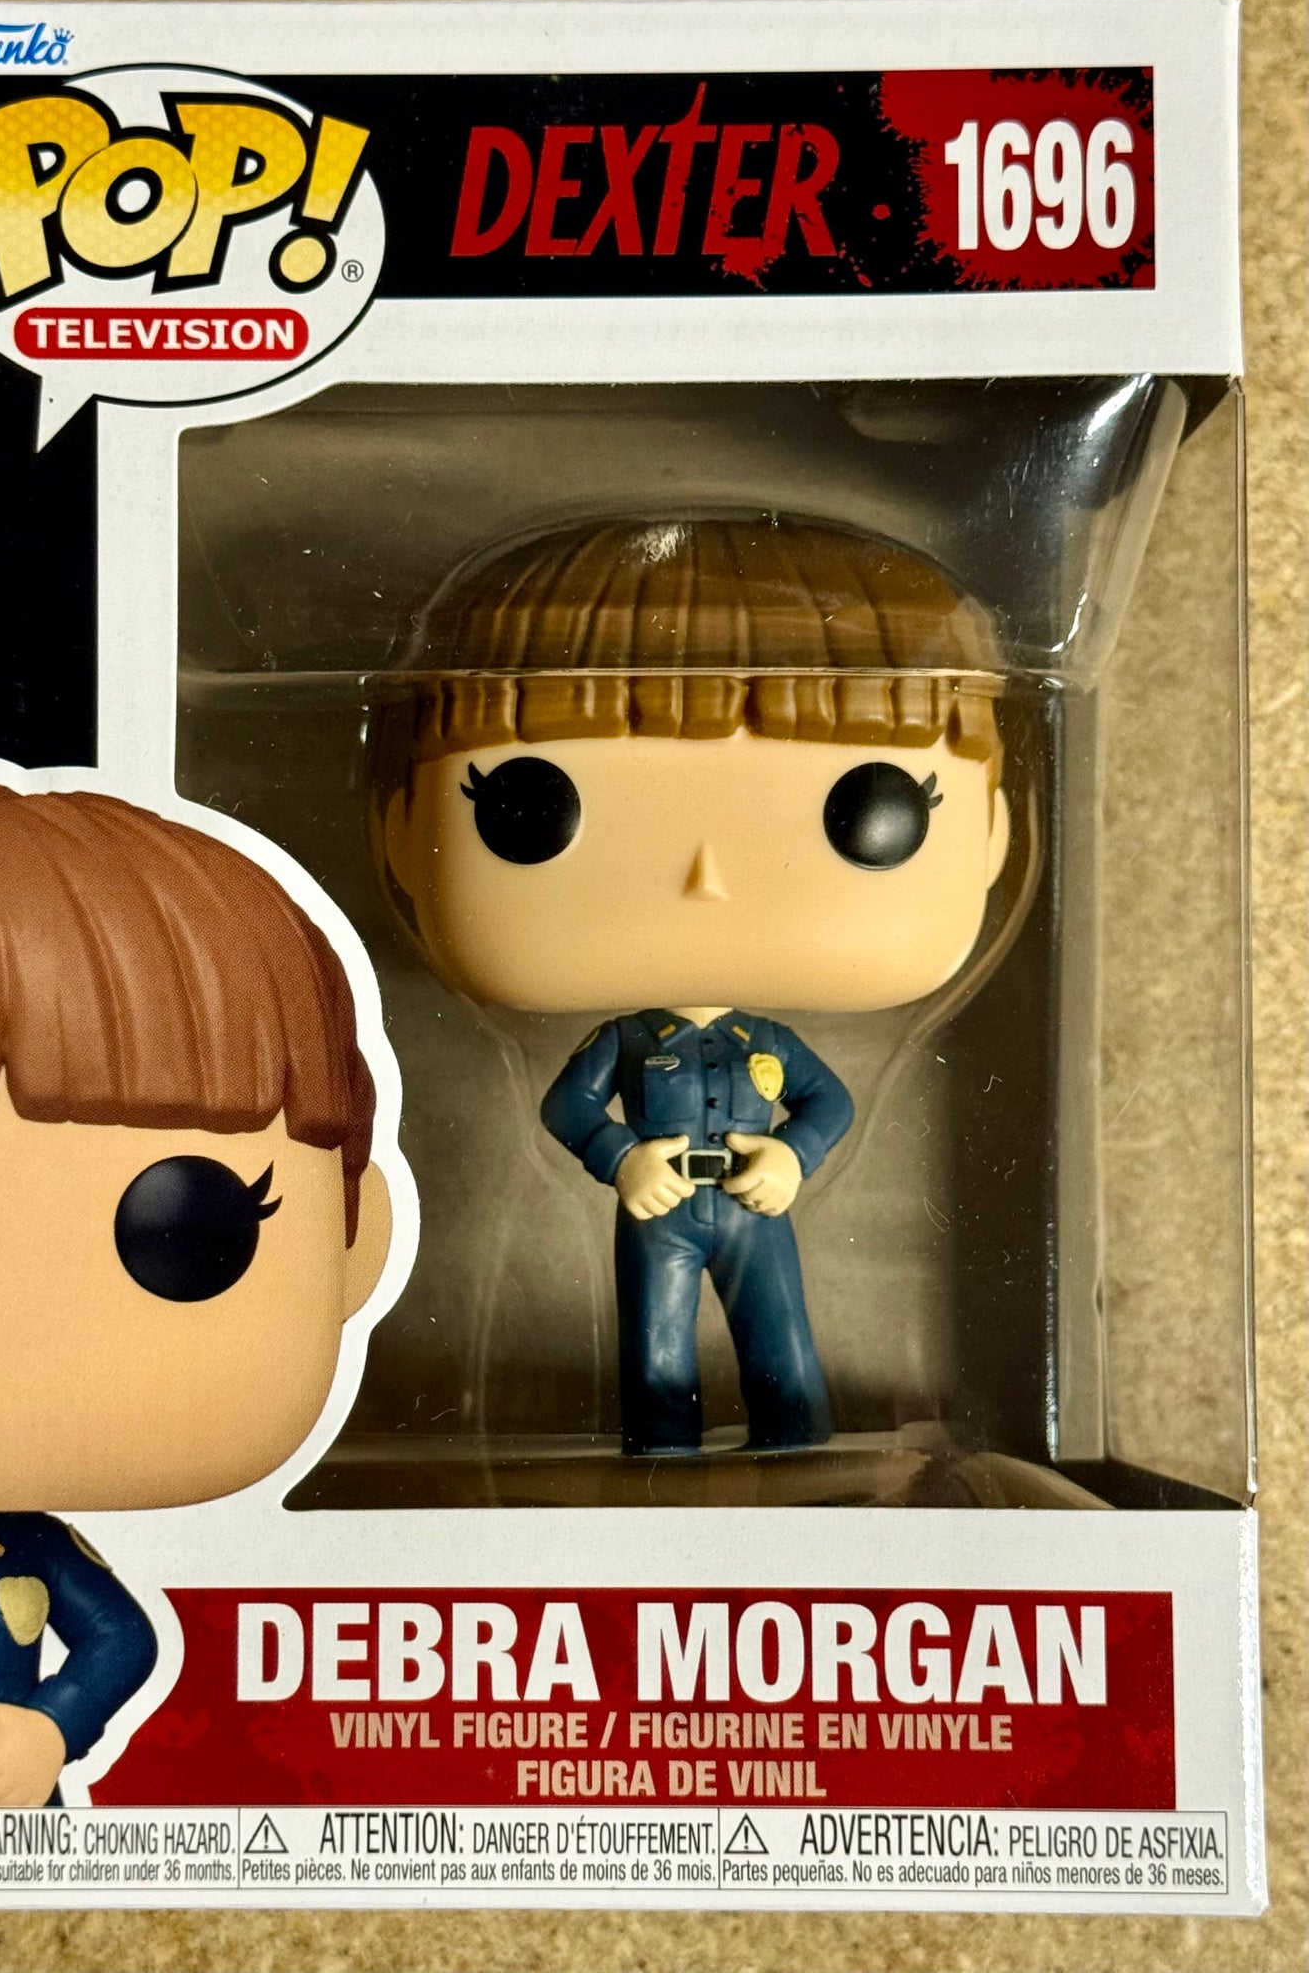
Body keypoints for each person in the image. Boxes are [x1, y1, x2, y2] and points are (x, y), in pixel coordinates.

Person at [375, 514, 1011, 1454]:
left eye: (873, 810)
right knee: (656, 1354)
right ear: (401, 835)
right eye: (526, 807)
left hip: (753, 1205)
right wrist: (620, 1160)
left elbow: (829, 1100)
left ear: (993, 835)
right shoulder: (627, 1040)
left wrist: (791, 1157)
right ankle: (660, 1464)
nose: (706, 877)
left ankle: (797, 1451)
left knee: (781, 1345)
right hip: (660, 1205)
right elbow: (567, 1105)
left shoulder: (767, 1041)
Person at [0, 782, 391, 1806]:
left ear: (354, 1243)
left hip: (15, 1809)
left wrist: (53, 1731)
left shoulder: (31, 1547)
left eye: (185, 1231)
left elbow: (121, 1640)